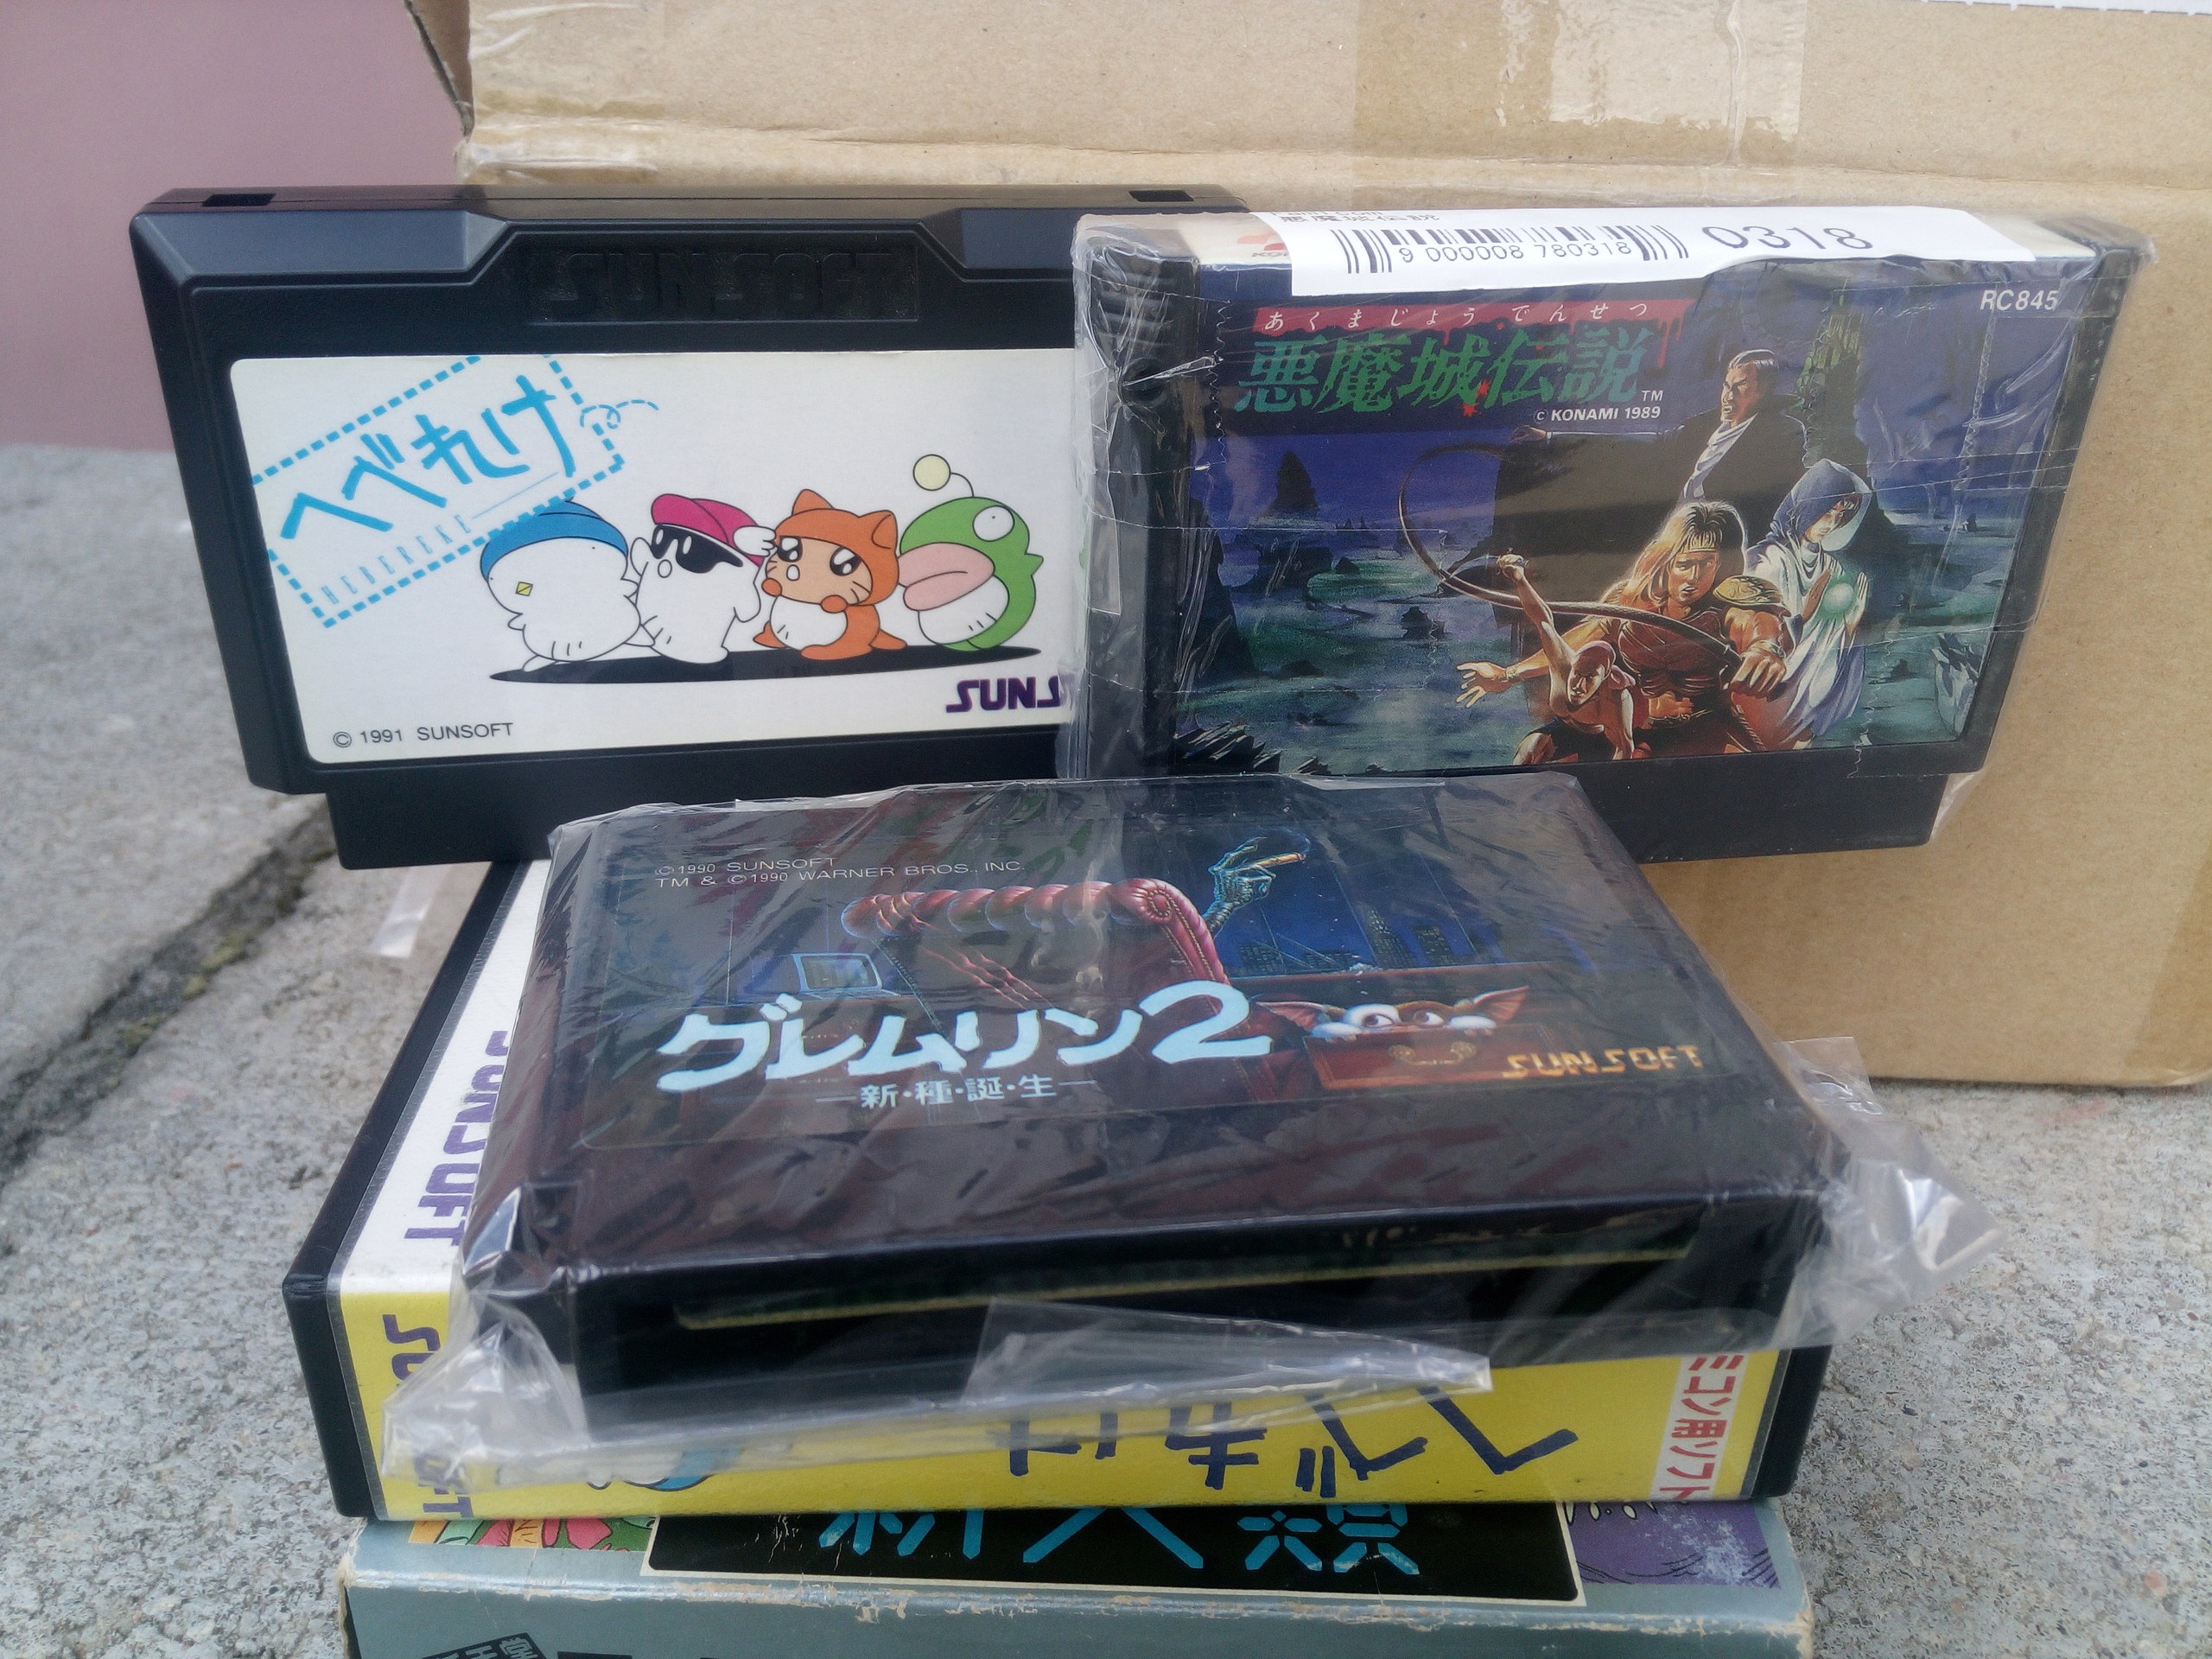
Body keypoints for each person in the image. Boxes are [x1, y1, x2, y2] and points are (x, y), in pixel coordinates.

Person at [1458, 502, 1790, 757]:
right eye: (1685, 563)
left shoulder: (1728, 605)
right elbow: (1571, 644)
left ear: (1721, 563)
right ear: (1667, 561)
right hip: (1639, 732)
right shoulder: (1629, 602)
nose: (1694, 577)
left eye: (1707, 563)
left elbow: (1757, 623)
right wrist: (1510, 674)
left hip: (1708, 730)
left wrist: (1765, 649)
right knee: (1535, 754)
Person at [1453, 554, 1640, 763]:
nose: (1579, 685)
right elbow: (1542, 619)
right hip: (1562, 730)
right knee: (1528, 753)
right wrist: (1519, 579)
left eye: (1590, 678)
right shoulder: (1563, 663)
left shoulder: (1616, 699)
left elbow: (1624, 748)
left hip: (1598, 744)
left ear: (1603, 678)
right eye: (1578, 674)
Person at [1742, 460, 1874, 748]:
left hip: (1809, 704)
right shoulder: (1767, 560)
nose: (1831, 524)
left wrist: (1850, 626)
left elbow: (1828, 644)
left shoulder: (1832, 568)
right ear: (1807, 507)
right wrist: (1803, 615)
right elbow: (1752, 635)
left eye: (1839, 515)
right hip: (1768, 694)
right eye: (1826, 513)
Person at [1665, 349, 1809, 543]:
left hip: (1723, 542)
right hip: (1673, 536)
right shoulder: (1699, 427)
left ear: (1762, 390)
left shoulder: (1783, 434)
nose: (1728, 396)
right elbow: (1663, 443)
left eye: (1740, 386)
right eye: (1727, 386)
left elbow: (1769, 504)